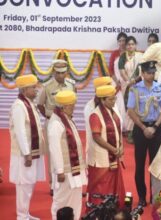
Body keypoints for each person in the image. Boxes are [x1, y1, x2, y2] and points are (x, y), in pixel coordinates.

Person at [127, 60, 161, 206]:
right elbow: (130, 110)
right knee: (139, 165)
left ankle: (155, 197)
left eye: (153, 73)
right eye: (149, 73)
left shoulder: (160, 87)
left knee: (155, 164)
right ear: (143, 73)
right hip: (140, 129)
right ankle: (141, 197)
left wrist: (155, 126)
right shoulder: (135, 89)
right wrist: (144, 128)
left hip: (156, 129)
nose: (151, 75)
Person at [37, 59, 76, 195]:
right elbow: (40, 105)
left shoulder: (71, 85)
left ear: (67, 72)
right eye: (58, 73)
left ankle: (70, 180)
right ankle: (53, 185)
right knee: (53, 152)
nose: (61, 75)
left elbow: (73, 103)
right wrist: (49, 117)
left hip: (68, 121)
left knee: (69, 150)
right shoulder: (47, 86)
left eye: (63, 73)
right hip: (52, 123)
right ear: (53, 71)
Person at [9, 74, 46, 220]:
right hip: (24, 153)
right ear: (24, 90)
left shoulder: (29, 103)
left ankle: (25, 214)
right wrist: (27, 153)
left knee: (30, 183)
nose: (36, 90)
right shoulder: (19, 106)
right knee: (23, 185)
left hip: (33, 151)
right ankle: (21, 216)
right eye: (33, 88)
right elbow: (20, 132)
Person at [48, 90, 87, 220]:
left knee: (75, 200)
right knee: (61, 201)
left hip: (75, 170)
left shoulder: (66, 119)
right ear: (64, 107)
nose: (74, 108)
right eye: (72, 106)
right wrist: (60, 171)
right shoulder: (56, 123)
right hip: (64, 172)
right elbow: (55, 149)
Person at [87, 85, 125, 208]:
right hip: (101, 159)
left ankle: (111, 210)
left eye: (114, 99)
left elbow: (117, 131)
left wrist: (120, 147)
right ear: (102, 100)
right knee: (101, 189)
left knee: (112, 187)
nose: (114, 102)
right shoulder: (95, 115)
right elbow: (96, 137)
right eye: (111, 99)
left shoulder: (112, 112)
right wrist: (113, 149)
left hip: (113, 157)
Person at [118, 36, 143, 142]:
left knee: (137, 108)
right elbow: (121, 70)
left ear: (135, 45)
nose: (130, 46)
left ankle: (136, 131)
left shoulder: (140, 56)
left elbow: (142, 72)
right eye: (128, 44)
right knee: (129, 108)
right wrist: (128, 81)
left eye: (132, 44)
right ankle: (129, 131)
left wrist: (134, 81)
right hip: (127, 86)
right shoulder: (123, 57)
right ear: (126, 46)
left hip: (138, 85)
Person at [84, 76, 113, 160]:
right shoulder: (90, 107)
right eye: (108, 86)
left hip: (113, 149)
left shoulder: (113, 104)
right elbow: (95, 135)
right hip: (98, 151)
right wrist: (113, 149)